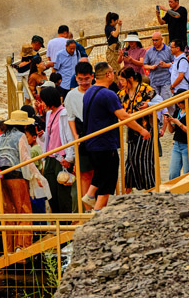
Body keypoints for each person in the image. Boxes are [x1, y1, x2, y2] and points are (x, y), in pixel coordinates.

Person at [80, 63, 151, 211]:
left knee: (101, 173)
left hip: (91, 143)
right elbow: (123, 116)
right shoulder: (108, 94)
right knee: (108, 182)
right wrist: (142, 130)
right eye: (112, 72)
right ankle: (97, 214)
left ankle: (91, 195)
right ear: (108, 75)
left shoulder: (88, 92)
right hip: (104, 143)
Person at [0, 111, 42, 252]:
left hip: (2, 176)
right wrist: (37, 175)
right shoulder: (20, 136)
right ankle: (22, 245)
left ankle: (9, 246)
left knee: (9, 211)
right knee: (24, 210)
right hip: (16, 175)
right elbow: (25, 157)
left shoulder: (2, 136)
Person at [117, 68, 157, 191]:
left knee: (141, 159)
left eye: (122, 80)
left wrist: (148, 105)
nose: (121, 83)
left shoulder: (146, 89)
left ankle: (151, 188)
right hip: (131, 128)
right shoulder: (122, 93)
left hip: (146, 127)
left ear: (130, 79)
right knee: (130, 161)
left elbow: (160, 102)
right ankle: (128, 189)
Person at [40, 86, 76, 213]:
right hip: (51, 157)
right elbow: (51, 137)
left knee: (63, 193)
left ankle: (65, 223)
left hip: (61, 158)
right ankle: (57, 221)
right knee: (50, 191)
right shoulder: (49, 114)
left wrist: (69, 158)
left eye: (43, 100)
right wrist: (41, 135)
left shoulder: (64, 114)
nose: (41, 103)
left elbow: (69, 136)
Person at [65, 61, 95, 203]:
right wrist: (76, 136)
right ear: (76, 78)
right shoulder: (71, 95)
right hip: (81, 132)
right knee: (84, 173)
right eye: (80, 79)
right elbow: (70, 118)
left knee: (98, 171)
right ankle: (87, 209)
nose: (84, 82)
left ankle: (100, 204)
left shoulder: (97, 91)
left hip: (96, 130)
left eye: (87, 79)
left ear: (92, 77)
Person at [165, 94, 189, 180]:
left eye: (180, 102)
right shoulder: (177, 112)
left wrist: (179, 123)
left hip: (188, 145)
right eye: (177, 102)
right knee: (173, 173)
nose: (178, 104)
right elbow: (171, 130)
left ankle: (188, 191)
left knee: (188, 173)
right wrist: (169, 122)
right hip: (177, 144)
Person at [143, 32, 174, 100]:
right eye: (153, 40)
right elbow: (145, 65)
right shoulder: (149, 51)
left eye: (156, 40)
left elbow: (174, 62)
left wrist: (166, 65)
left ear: (161, 39)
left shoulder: (169, 50)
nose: (154, 42)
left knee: (168, 101)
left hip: (166, 80)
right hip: (154, 80)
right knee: (154, 101)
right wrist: (151, 67)